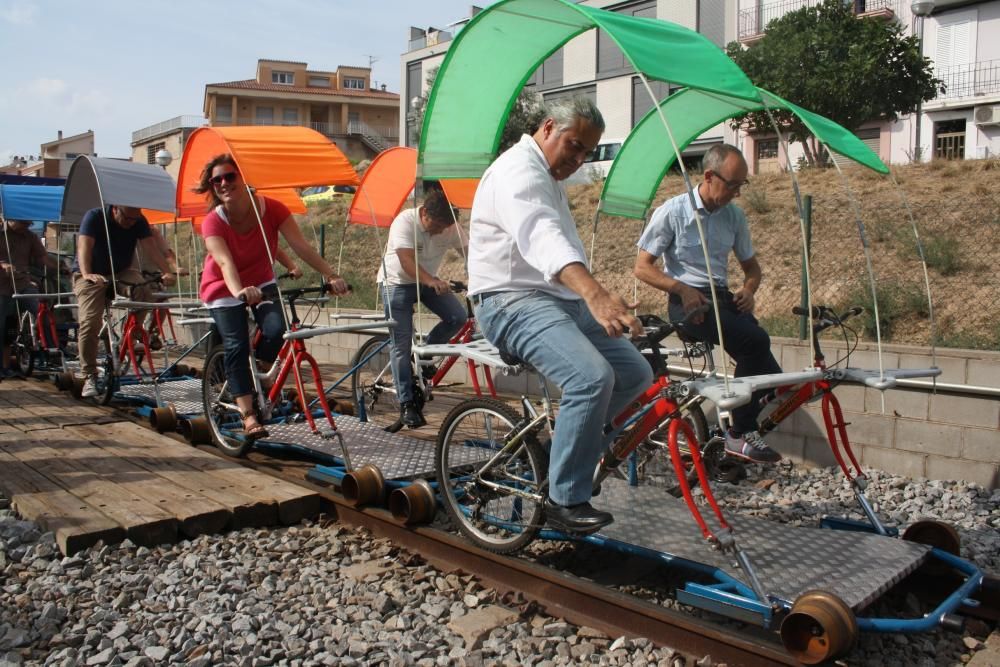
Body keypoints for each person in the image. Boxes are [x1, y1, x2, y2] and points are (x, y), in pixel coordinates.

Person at [468, 97, 653, 534]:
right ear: (548, 127)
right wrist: (595, 294)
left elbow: (558, 251)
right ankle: (564, 497)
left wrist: (604, 301)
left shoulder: (548, 175)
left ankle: (564, 452)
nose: (579, 159)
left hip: (555, 300)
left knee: (634, 373)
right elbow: (543, 237)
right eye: (573, 146)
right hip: (509, 300)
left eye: (587, 152)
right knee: (590, 378)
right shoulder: (519, 171)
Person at [633, 143, 782, 464]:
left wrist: (750, 289)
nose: (737, 193)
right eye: (733, 185)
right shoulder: (673, 212)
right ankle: (739, 434)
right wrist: (681, 288)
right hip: (687, 302)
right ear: (710, 176)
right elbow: (641, 267)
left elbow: (752, 267)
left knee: (772, 376)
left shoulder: (734, 216)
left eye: (742, 185)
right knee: (757, 341)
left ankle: (727, 445)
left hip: (722, 298)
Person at [196, 154, 349, 439]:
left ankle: (258, 379)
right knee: (236, 345)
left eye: (230, 176)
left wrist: (331, 275)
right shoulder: (213, 222)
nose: (224, 184)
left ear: (244, 177)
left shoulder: (273, 209)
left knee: (277, 330)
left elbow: (300, 246)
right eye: (217, 180)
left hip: (262, 282)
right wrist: (239, 291)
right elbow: (225, 263)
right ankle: (248, 415)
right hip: (223, 289)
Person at [377, 187, 467, 428]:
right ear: (424, 212)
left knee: (458, 316)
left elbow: (470, 253)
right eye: (436, 226)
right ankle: (406, 403)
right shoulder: (404, 222)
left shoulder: (450, 227)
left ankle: (426, 352)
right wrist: (432, 281)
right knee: (401, 344)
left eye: (444, 228)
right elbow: (406, 261)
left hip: (427, 279)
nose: (440, 231)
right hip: (396, 282)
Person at [73, 205, 177, 398]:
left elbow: (151, 247)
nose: (131, 224)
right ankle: (89, 374)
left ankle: (132, 334)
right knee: (90, 321)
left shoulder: (138, 220)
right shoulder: (94, 216)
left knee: (145, 289)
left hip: (121, 271)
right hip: (89, 272)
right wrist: (87, 274)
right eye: (127, 219)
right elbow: (84, 246)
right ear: (115, 210)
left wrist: (166, 271)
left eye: (134, 220)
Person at [0, 219, 64, 377]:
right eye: (23, 223)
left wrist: (61, 267)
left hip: (22, 283)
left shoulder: (30, 237)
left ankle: (53, 351)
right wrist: (3, 265)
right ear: (11, 219)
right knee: (1, 326)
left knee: (43, 312)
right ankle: (3, 368)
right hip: (2, 285)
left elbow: (43, 258)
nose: (26, 227)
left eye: (28, 224)